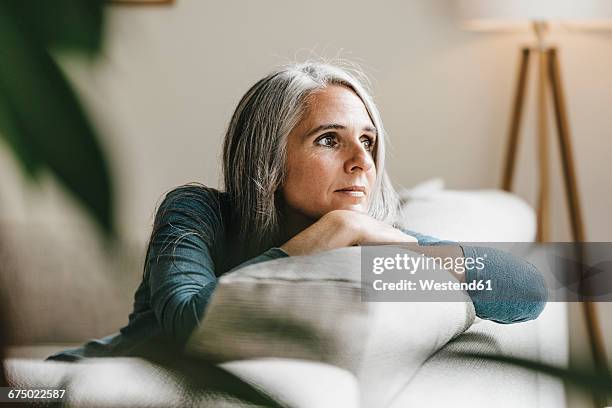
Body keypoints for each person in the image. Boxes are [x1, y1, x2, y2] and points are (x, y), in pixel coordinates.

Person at [47, 61, 547, 362]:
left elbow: (527, 291)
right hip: (63, 384)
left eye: (368, 142)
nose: (361, 161)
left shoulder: (364, 240)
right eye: (329, 139)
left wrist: (404, 244)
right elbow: (191, 322)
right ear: (268, 156)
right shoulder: (198, 211)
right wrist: (325, 236)